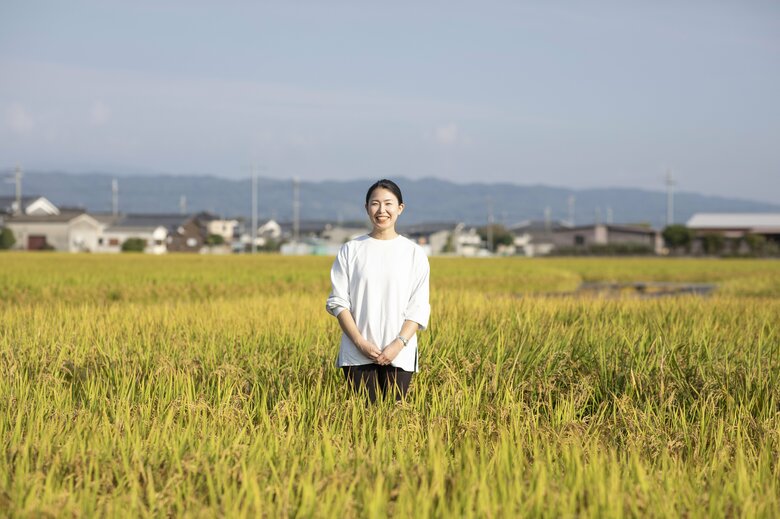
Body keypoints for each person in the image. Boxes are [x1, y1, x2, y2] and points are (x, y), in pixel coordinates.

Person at [325, 179, 430, 402]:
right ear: (367, 208)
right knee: (362, 419)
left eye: (388, 204)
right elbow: (338, 302)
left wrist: (397, 344)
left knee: (394, 421)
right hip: (357, 353)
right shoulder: (351, 250)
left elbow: (418, 307)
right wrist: (360, 343)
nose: (382, 210)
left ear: (400, 208)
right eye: (375, 204)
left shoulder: (414, 253)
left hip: (399, 353)